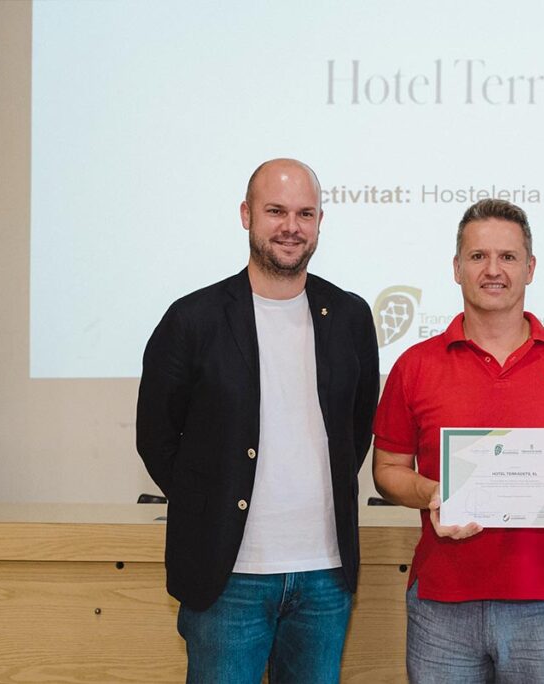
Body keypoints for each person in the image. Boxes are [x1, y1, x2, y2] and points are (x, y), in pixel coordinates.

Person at [136, 158, 379, 683]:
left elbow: (356, 429)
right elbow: (156, 437)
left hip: (325, 576)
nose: (291, 226)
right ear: (246, 215)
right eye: (275, 211)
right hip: (228, 578)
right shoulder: (192, 319)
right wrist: (209, 502)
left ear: (319, 222)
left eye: (305, 213)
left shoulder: (350, 316)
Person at [372, 198, 544, 683]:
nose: (493, 270)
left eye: (507, 257)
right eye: (478, 256)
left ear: (530, 268)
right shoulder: (415, 365)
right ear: (456, 268)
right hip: (442, 607)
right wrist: (433, 493)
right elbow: (387, 469)